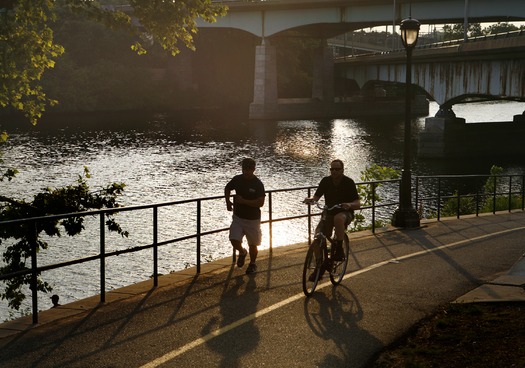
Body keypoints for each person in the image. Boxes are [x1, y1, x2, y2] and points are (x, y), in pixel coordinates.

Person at [304, 159, 361, 262]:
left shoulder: (349, 182)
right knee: (318, 235)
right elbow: (316, 197)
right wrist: (310, 200)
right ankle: (319, 264)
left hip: (344, 212)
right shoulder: (325, 181)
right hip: (328, 212)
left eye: (337, 169)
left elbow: (358, 204)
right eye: (332, 169)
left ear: (342, 170)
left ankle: (339, 248)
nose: (334, 171)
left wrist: (349, 204)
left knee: (338, 218)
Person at [225, 158, 265, 275]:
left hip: (253, 219)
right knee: (233, 238)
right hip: (238, 217)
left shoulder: (258, 184)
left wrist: (244, 201)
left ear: (253, 169)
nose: (246, 172)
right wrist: (227, 201)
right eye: (244, 169)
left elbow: (260, 202)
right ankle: (242, 252)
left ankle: (252, 264)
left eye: (248, 170)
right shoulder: (237, 179)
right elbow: (227, 188)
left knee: (253, 244)